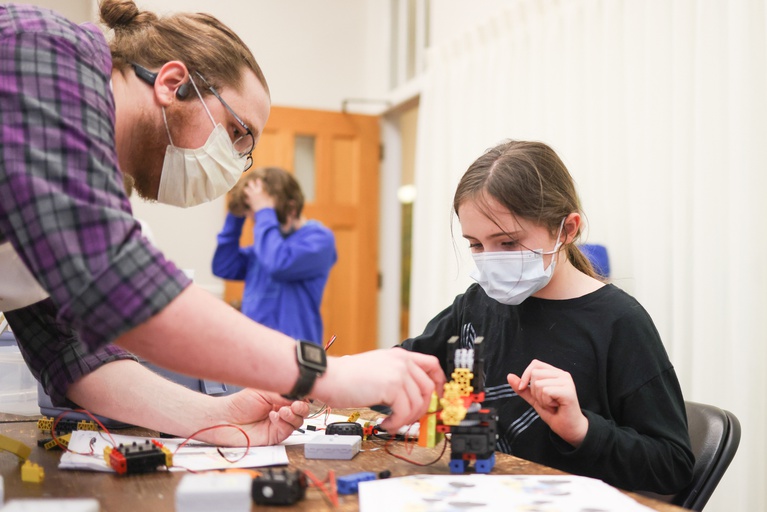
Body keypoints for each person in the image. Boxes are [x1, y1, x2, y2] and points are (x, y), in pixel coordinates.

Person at [0, 0, 444, 445]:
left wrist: (215, 417)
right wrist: (327, 373)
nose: (235, 164)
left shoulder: (58, 180)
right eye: (237, 133)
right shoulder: (42, 50)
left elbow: (72, 355)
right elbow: (116, 286)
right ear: (173, 84)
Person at [400, 140, 694, 493]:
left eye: (507, 243)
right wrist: (332, 379)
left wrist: (581, 429)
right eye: (476, 245)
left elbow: (672, 466)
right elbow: (402, 370)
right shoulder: (477, 304)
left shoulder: (619, 322)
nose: (490, 260)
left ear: (567, 229)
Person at [213, 167, 336, 345]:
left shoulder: (319, 239)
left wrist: (264, 211)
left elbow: (278, 264)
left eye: (265, 216)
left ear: (291, 209)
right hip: (254, 351)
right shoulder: (265, 247)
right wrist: (236, 216)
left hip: (294, 355)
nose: (260, 223)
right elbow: (224, 266)